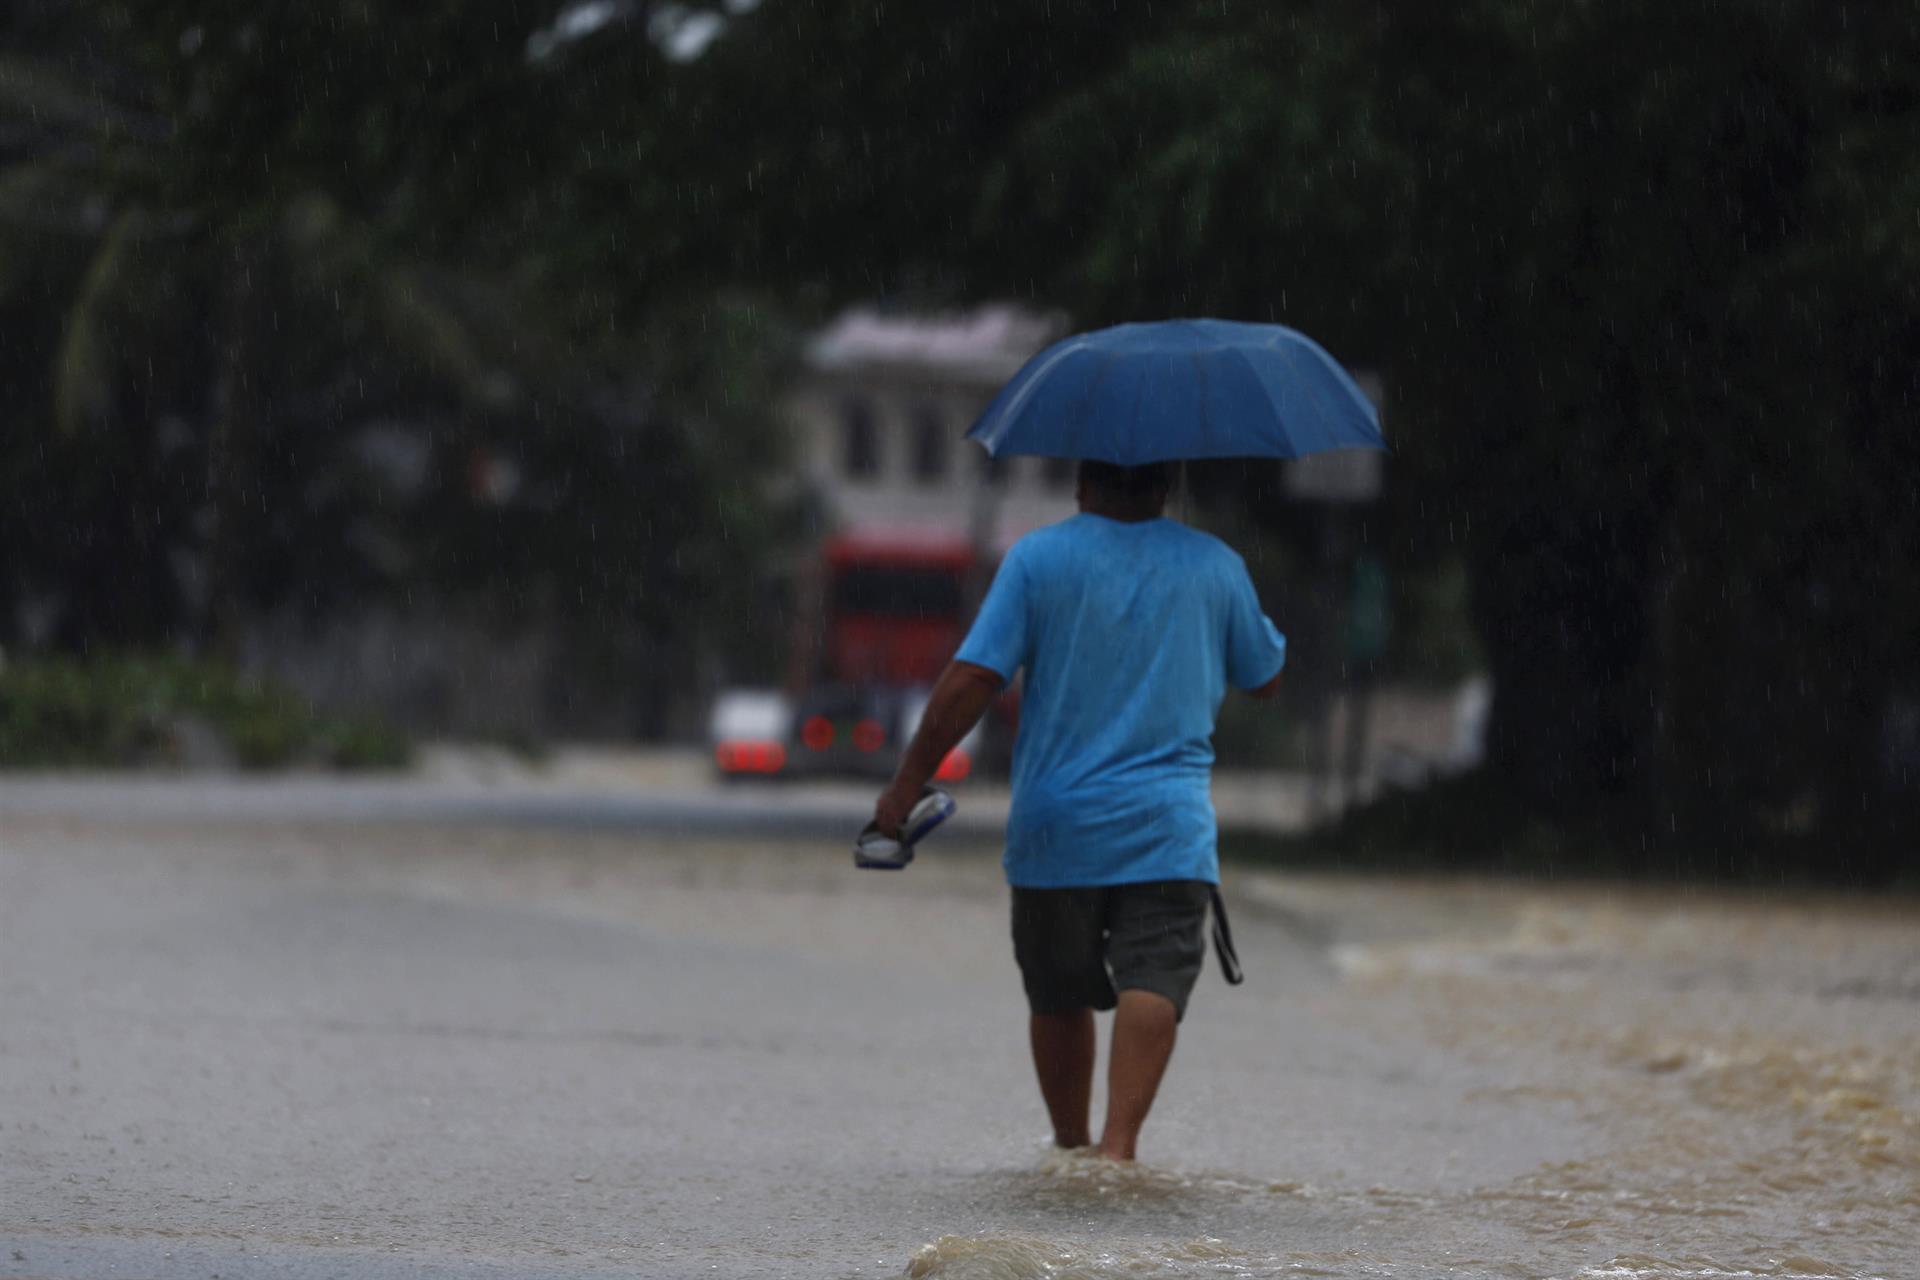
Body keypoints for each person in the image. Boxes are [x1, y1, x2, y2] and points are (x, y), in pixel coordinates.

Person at [871, 459, 1287, 1161]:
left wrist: (907, 782)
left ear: (1082, 486)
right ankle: (1119, 1150)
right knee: (1154, 975)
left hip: (1057, 827)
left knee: (1058, 988)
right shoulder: (1217, 565)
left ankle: (1071, 1148)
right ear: (1165, 487)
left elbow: (973, 679)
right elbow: (1267, 679)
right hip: (1168, 828)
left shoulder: (1039, 559)